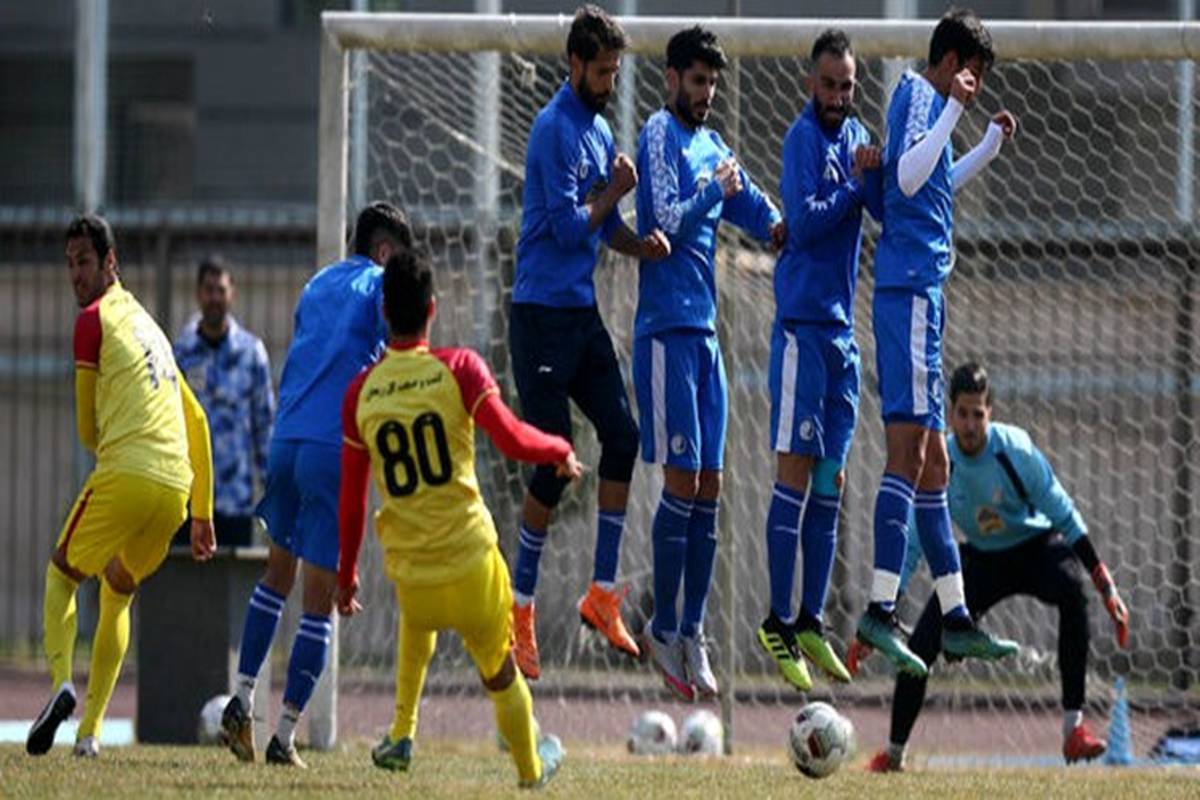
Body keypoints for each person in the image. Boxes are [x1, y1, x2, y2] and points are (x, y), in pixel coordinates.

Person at [337, 250, 576, 787]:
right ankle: (531, 768)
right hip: (471, 565)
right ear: (433, 309)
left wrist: (347, 573)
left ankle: (401, 734)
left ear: (384, 313)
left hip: (413, 579)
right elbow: (513, 439)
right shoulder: (460, 368)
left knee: (417, 622)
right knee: (499, 670)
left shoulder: (360, 393)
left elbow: (351, 500)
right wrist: (559, 449)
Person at [855, 7, 1021, 676]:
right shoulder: (922, 96)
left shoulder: (926, 104)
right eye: (971, 74)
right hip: (909, 293)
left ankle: (954, 619)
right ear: (950, 63)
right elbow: (905, 177)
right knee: (910, 453)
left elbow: (930, 185)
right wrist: (955, 111)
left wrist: (985, 149)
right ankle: (879, 607)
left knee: (936, 466)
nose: (973, 87)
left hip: (921, 295)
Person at [508, 4, 670, 680]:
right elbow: (568, 226)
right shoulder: (553, 130)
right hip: (540, 316)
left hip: (580, 314)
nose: (609, 83)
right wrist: (617, 191)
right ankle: (519, 608)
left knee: (624, 438)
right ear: (574, 63)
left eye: (615, 72)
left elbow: (603, 228)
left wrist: (641, 245)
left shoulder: (601, 130)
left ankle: (602, 595)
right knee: (553, 465)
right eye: (602, 71)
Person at [220, 202, 412, 767]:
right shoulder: (380, 284)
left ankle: (241, 699)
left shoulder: (317, 283)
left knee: (276, 575)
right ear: (384, 252)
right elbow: (398, 348)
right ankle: (284, 736)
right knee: (318, 602)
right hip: (333, 447)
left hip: (287, 439)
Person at [865, 363, 1129, 770]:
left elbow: (1063, 512)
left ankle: (1073, 729)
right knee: (921, 644)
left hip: (1034, 548)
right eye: (962, 414)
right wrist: (882, 611)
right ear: (950, 413)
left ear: (991, 412)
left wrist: (1104, 584)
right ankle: (894, 753)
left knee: (1072, 591)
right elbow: (914, 543)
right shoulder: (939, 462)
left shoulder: (1015, 450)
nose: (970, 424)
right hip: (982, 559)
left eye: (979, 414)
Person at [26, 214, 215, 759]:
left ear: (111, 262)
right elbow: (197, 421)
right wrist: (201, 513)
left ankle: (61, 683)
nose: (75, 274)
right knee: (118, 590)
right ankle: (90, 734)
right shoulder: (152, 329)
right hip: (175, 491)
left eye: (84, 262)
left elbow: (88, 430)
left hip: (129, 472)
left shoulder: (93, 321)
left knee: (61, 575)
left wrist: (116, 447)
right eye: (69, 264)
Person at [634, 24, 785, 701]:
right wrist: (713, 190)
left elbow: (747, 200)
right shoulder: (658, 134)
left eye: (713, 84)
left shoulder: (715, 145)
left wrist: (778, 224)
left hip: (705, 337)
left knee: (712, 488)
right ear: (672, 78)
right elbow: (665, 219)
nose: (707, 93)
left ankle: (692, 630)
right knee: (682, 482)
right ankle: (662, 627)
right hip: (665, 332)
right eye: (698, 81)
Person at [756, 29, 882, 693]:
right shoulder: (801, 139)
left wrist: (877, 172)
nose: (838, 97)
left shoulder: (858, 134)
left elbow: (880, 207)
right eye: (829, 85)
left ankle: (809, 619)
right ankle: (776, 620)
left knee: (832, 481)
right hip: (803, 330)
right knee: (795, 477)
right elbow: (802, 223)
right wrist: (857, 187)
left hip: (842, 335)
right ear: (811, 83)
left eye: (847, 87)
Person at [173, 256, 274, 547]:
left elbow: (264, 425)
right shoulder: (181, 354)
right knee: (186, 575)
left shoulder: (251, 353)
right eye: (209, 290)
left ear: (232, 294)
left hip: (235, 500)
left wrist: (272, 493)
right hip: (189, 500)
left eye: (221, 290)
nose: (215, 298)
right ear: (198, 294)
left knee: (233, 576)